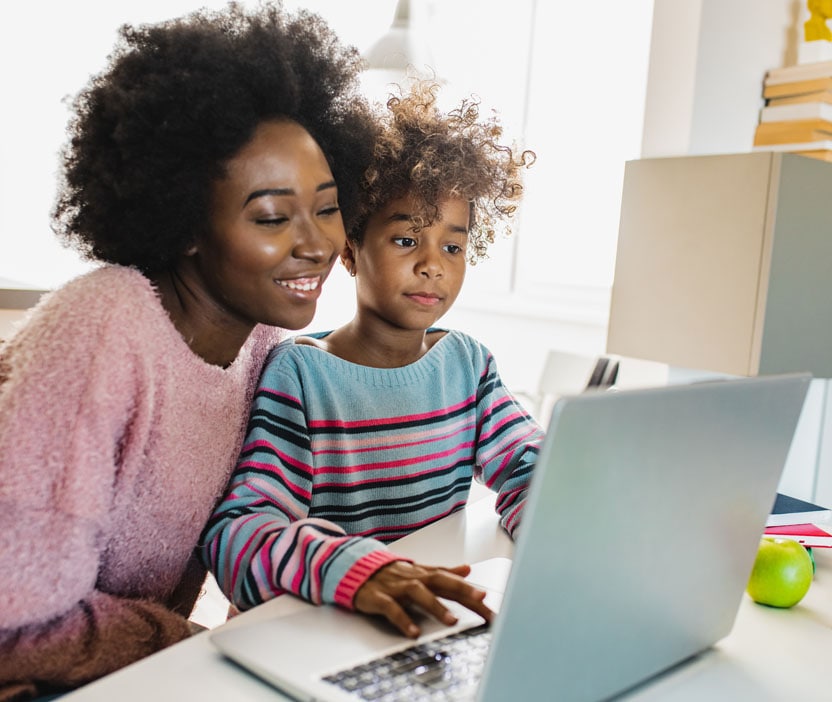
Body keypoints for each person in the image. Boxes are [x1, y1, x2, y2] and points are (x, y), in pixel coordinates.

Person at [0, 3, 380, 699]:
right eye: (270, 217)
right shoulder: (103, 323)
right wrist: (184, 645)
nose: (317, 244)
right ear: (184, 227)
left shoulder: (264, 344)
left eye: (326, 207)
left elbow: (254, 528)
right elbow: (11, 625)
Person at [200, 80, 543, 639]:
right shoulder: (302, 374)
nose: (433, 264)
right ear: (351, 251)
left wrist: (553, 525)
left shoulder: (468, 366)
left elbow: (530, 464)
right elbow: (237, 537)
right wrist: (356, 570)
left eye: (452, 247)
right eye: (408, 240)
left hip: (419, 624)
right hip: (318, 628)